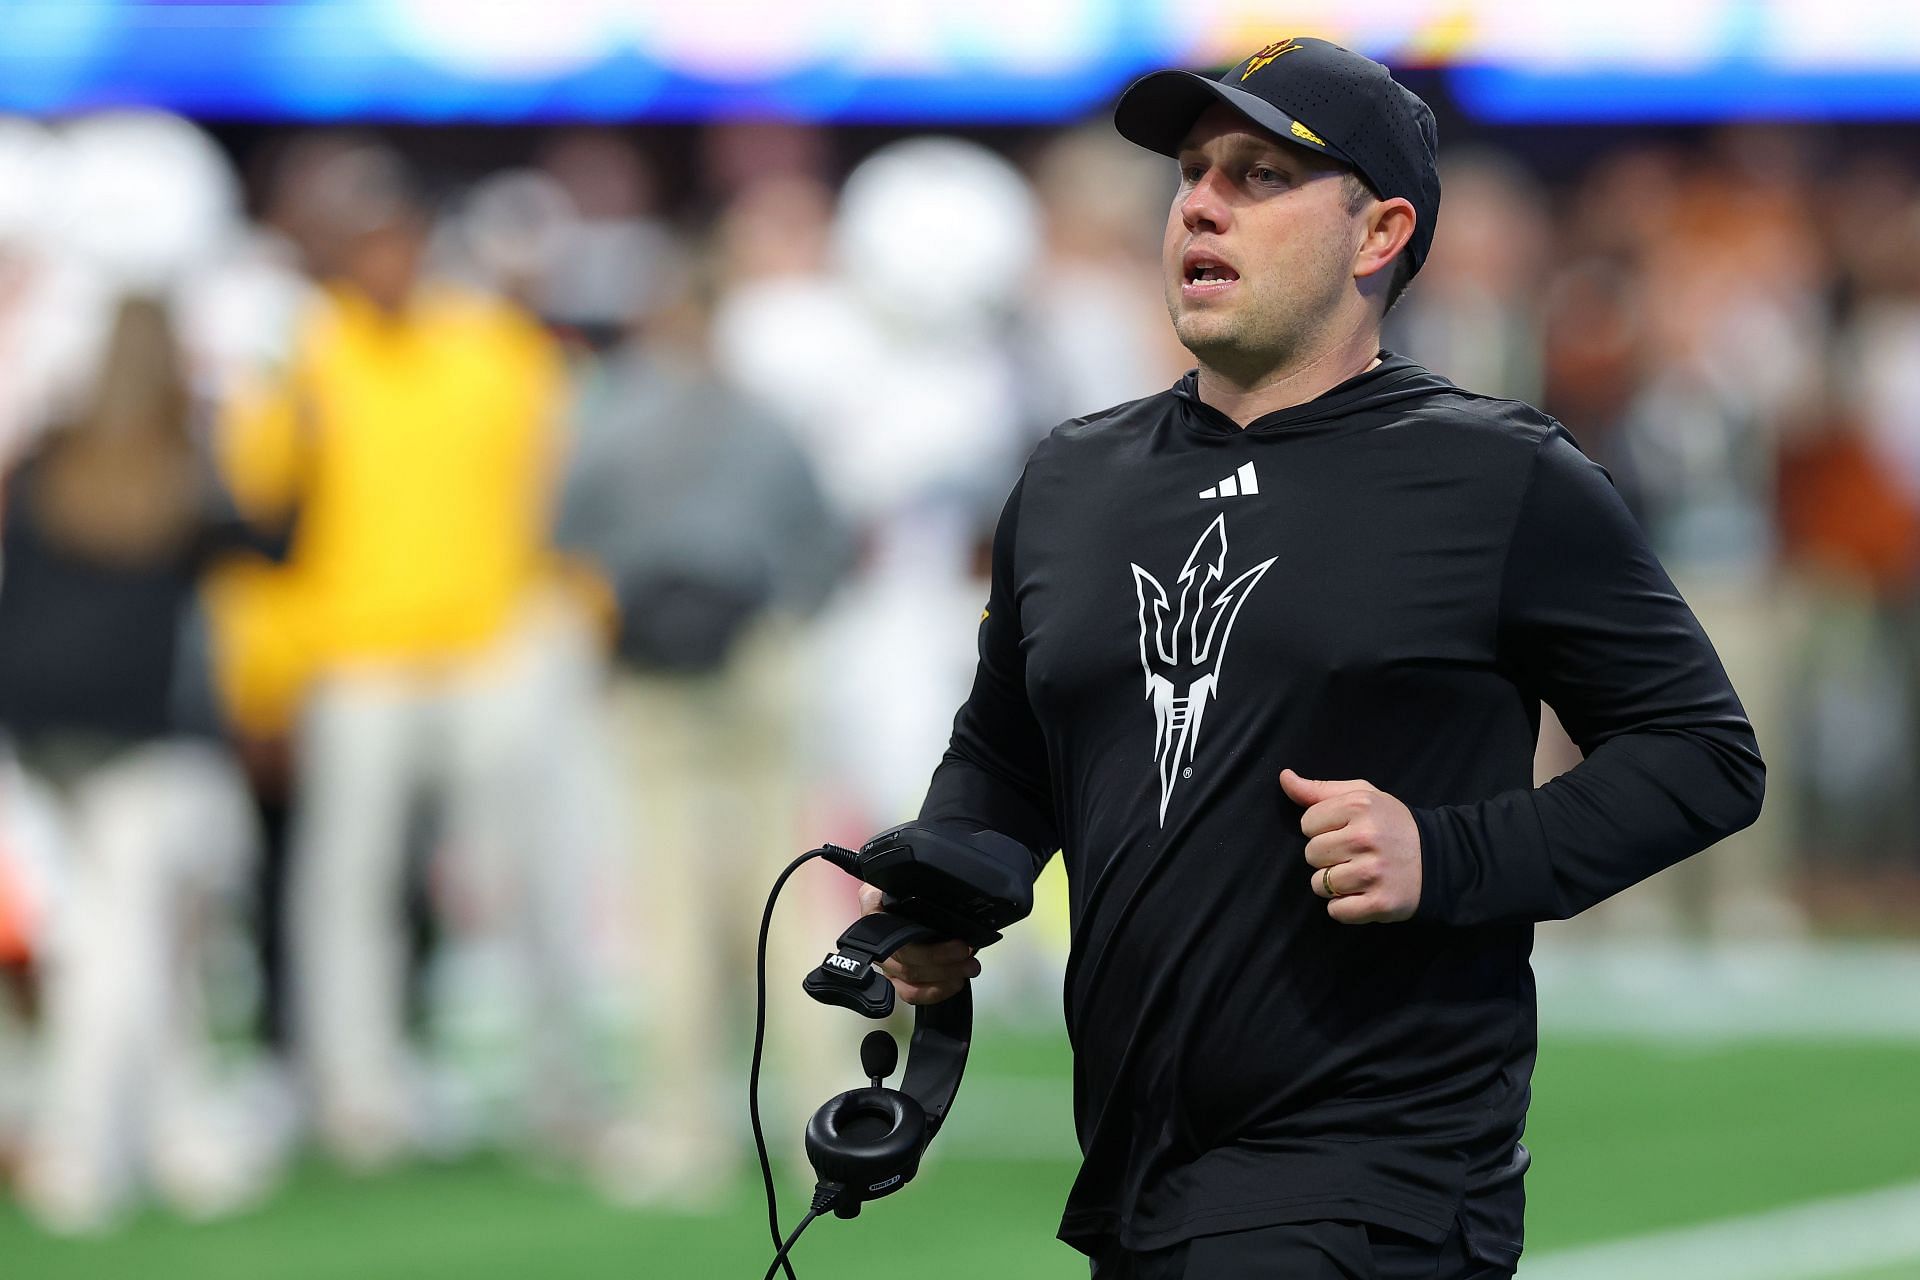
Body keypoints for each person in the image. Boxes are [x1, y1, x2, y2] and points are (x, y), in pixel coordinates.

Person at [864, 38, 1765, 1280]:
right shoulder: (1073, 475)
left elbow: (1703, 755)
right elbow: (1009, 748)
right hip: (1136, 1160)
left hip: (1379, 1170)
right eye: (1190, 172)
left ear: (1379, 231)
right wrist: (943, 891)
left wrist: (1448, 853)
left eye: (1257, 175)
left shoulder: (1500, 477)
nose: (1200, 202)